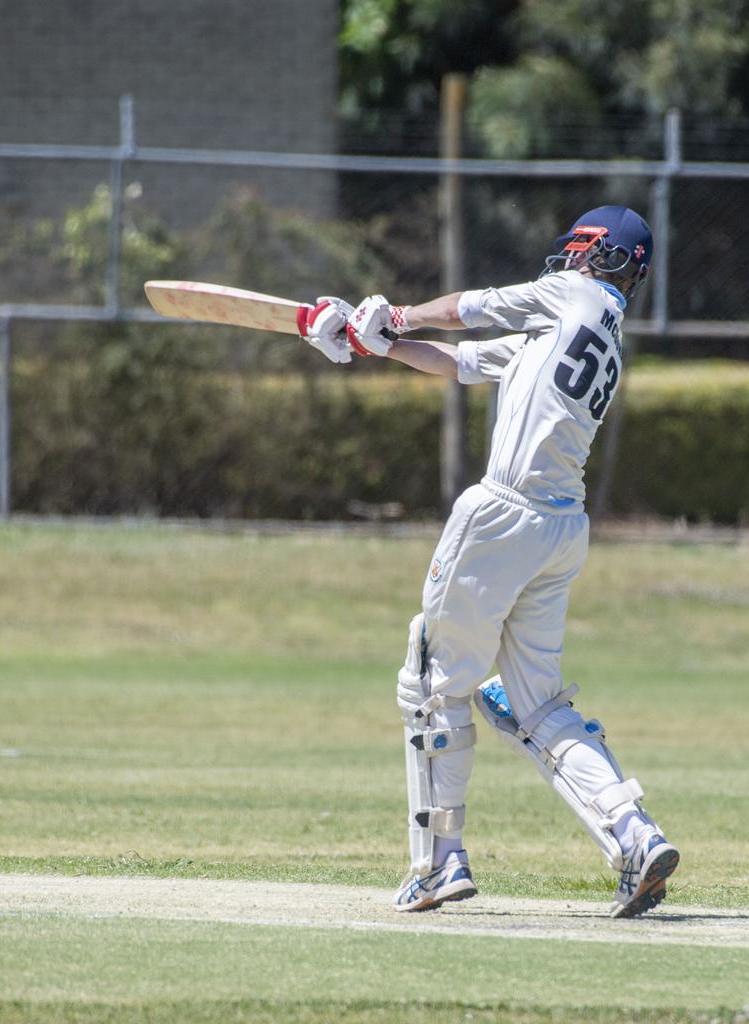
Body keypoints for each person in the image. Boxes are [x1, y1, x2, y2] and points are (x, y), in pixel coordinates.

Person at [297, 205, 679, 919]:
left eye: (573, 252)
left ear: (593, 255)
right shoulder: (592, 331)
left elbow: (471, 309)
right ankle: (634, 835)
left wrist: (397, 313)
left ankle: (440, 863)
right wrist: (372, 338)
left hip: (504, 515)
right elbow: (463, 361)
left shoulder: (573, 294)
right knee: (536, 704)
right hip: (561, 528)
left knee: (432, 680)